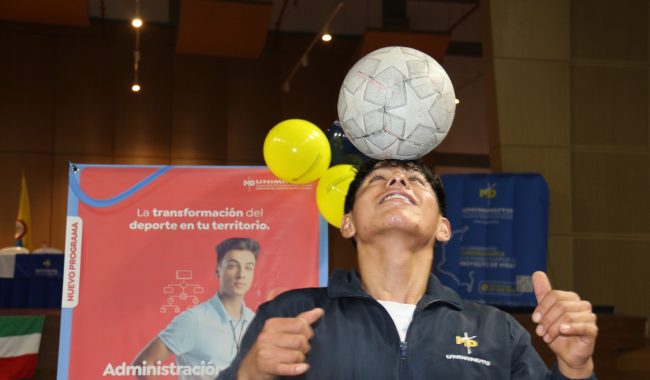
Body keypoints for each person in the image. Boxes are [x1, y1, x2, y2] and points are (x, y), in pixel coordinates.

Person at [217, 160, 598, 380]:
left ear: (443, 227)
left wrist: (575, 366)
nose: (397, 180)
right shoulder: (290, 314)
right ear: (347, 222)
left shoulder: (497, 331)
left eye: (415, 180)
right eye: (377, 179)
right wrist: (249, 373)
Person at [133, 237, 261, 380]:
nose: (241, 274)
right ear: (218, 271)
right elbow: (144, 363)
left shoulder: (256, 321)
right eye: (232, 266)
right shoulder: (194, 320)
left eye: (248, 268)